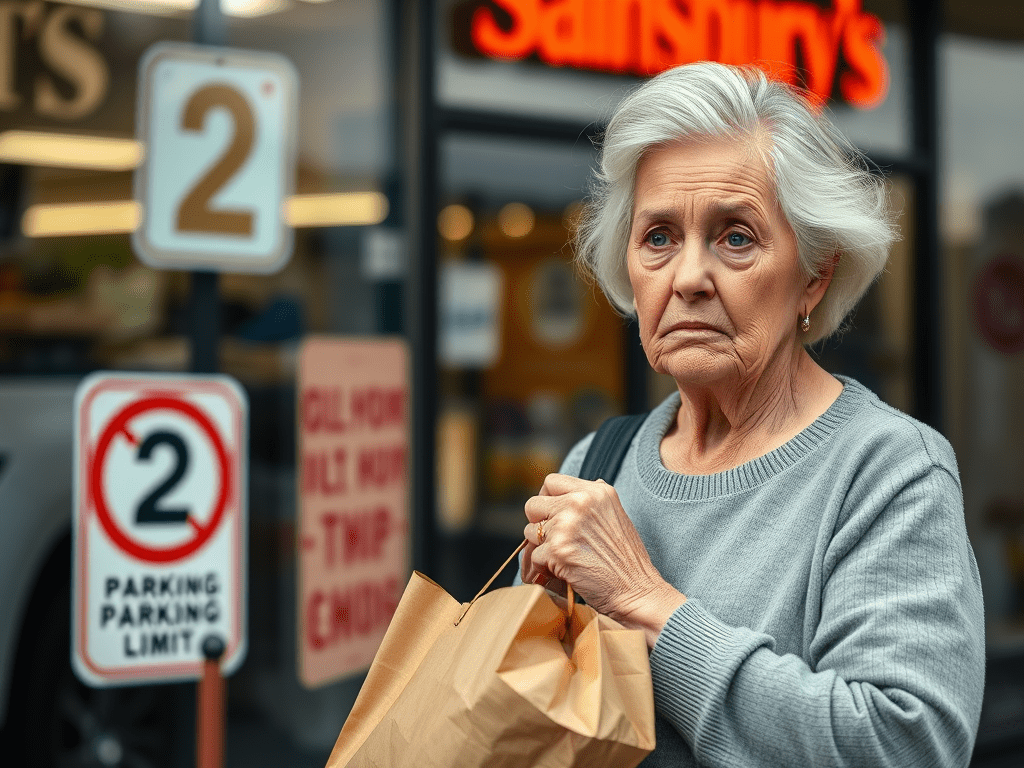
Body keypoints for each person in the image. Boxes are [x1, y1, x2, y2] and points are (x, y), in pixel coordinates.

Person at [517, 62, 985, 767]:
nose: (688, 277)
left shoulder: (887, 471)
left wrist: (646, 603)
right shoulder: (597, 463)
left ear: (815, 274)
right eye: (659, 237)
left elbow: (899, 744)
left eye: (736, 237)